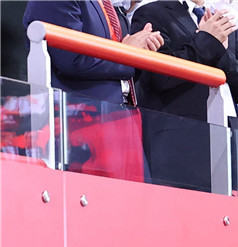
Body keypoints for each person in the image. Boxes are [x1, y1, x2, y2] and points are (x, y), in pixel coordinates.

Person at [23, 0, 164, 182]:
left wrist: (140, 51)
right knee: (93, 196)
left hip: (123, 121)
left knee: (134, 197)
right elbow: (72, 59)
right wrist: (127, 52)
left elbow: (118, 63)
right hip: (82, 125)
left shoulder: (108, 6)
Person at [131, 0, 238, 192]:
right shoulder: (151, 13)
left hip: (228, 144)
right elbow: (160, 77)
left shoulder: (221, 21)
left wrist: (220, 53)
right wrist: (207, 41)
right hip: (177, 148)